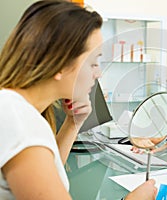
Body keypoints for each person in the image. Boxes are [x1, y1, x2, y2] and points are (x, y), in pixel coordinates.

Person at [0, 1, 157, 199]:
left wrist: (73, 123)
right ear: (61, 65)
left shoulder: (15, 109)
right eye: (93, 63)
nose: (98, 73)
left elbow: (47, 172)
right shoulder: (20, 121)